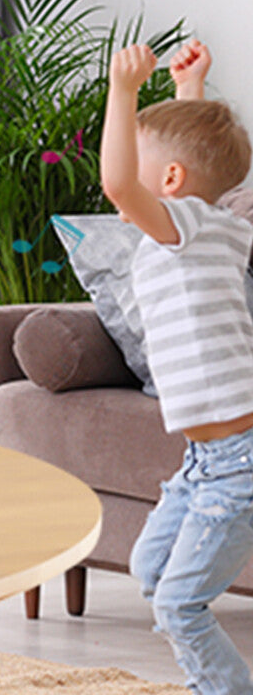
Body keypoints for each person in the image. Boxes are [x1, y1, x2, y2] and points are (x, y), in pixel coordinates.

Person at [100, 41, 253, 695]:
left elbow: (118, 184)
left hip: (236, 464)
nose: (126, 179)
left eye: (141, 164)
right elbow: (191, 168)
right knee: (152, 570)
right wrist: (190, 91)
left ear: (167, 183)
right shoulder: (212, 225)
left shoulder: (183, 227)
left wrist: (124, 90)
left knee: (178, 606)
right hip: (204, 462)